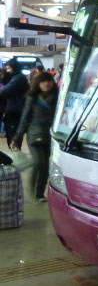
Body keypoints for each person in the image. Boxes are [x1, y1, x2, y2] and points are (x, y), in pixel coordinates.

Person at [12, 72, 58, 202]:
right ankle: (31, 188)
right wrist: (17, 138)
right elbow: (25, 119)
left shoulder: (58, 98)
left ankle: (39, 194)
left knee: (46, 166)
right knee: (39, 162)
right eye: (43, 81)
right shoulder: (32, 98)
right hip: (35, 134)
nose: (46, 83)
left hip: (50, 135)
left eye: (48, 81)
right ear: (38, 83)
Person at [0, 60, 30, 149]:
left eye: (9, 68)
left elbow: (4, 91)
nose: (7, 70)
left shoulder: (18, 78)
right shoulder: (15, 78)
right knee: (12, 137)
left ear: (14, 68)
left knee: (13, 139)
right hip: (13, 111)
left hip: (15, 112)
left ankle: (16, 159)